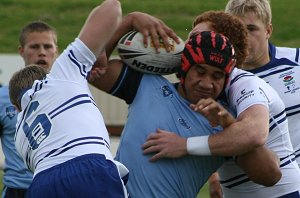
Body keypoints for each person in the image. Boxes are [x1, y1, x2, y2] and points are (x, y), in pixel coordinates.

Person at [88, 11, 282, 197]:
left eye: (217, 76)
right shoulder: (146, 85)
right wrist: (130, 21)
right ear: (185, 68)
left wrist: (228, 124)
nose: (206, 83)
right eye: (200, 71)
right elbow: (88, 66)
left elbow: (271, 175)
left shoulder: (222, 121)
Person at [140, 11, 300, 197]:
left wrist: (184, 145)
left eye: (198, 37)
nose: (188, 43)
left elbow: (254, 135)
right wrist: (132, 20)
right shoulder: (200, 84)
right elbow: (101, 71)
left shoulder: (244, 83)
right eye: (191, 36)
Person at [8, 0, 128, 197]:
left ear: (16, 107)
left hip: (41, 185)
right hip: (88, 168)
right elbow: (112, 8)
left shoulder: (19, 133)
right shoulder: (59, 76)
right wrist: (97, 52)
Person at [206, 0, 300, 197]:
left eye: (251, 29)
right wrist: (212, 173)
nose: (244, 38)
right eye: (237, 31)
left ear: (268, 30)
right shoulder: (217, 79)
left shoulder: (296, 63)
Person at [0, 21, 58, 197]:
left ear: (56, 50)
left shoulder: (70, 92)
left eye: (47, 46)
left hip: (58, 187)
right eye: (34, 46)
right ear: (21, 51)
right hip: (18, 190)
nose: (42, 52)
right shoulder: (3, 97)